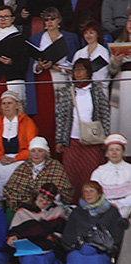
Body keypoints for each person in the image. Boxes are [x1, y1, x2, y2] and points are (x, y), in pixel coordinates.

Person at [59, 181, 121, 264]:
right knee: (75, 260)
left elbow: (117, 236)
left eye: (92, 191)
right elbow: (68, 236)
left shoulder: (112, 212)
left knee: (96, 262)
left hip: (101, 253)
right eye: (85, 191)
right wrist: (79, 247)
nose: (88, 194)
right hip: (79, 251)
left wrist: (99, 247)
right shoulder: (77, 212)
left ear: (99, 193)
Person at [55, 58, 110, 202]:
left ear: (88, 72)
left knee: (91, 174)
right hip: (72, 141)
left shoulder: (96, 91)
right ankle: (72, 205)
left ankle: (93, 203)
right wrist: (60, 139)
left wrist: (106, 138)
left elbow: (105, 115)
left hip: (92, 141)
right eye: (75, 70)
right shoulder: (68, 92)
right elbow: (61, 116)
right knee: (71, 175)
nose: (77, 73)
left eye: (81, 70)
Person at [7, 183, 68, 264]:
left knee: (43, 261)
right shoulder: (23, 211)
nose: (44, 202)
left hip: (48, 251)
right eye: (42, 198)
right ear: (37, 195)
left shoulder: (57, 211)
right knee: (29, 261)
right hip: (27, 250)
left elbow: (57, 236)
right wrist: (13, 238)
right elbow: (14, 233)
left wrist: (39, 235)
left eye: (48, 200)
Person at [27, 7, 79, 147]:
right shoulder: (36, 38)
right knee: (46, 117)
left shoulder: (70, 38)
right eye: (46, 19)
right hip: (44, 80)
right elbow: (32, 65)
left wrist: (59, 67)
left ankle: (64, 149)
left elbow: (76, 64)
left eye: (53, 19)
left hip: (63, 79)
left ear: (59, 20)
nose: (49, 22)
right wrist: (40, 66)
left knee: (64, 115)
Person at [0, 91, 38, 201]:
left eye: (9, 103)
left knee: (20, 168)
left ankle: (16, 200)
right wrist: (0, 157)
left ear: (17, 105)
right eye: (3, 103)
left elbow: (32, 147)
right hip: (2, 159)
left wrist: (16, 158)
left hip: (19, 159)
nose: (6, 106)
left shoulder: (27, 122)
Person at [2, 136, 73, 213]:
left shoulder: (55, 166)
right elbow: (10, 188)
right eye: (33, 151)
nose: (36, 154)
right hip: (24, 206)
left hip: (48, 207)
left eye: (40, 151)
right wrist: (28, 200)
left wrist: (43, 198)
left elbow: (63, 189)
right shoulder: (23, 167)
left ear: (46, 153)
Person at [90, 133, 131, 218]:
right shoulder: (99, 171)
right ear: (107, 153)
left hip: (127, 207)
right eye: (111, 150)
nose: (114, 153)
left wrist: (122, 204)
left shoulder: (129, 169)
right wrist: (108, 204)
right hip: (104, 207)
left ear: (123, 152)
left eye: (117, 150)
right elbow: (94, 192)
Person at [109, 12, 131, 142]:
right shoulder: (119, 41)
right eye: (129, 21)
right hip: (122, 84)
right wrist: (116, 61)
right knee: (123, 118)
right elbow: (111, 71)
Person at [73, 21, 110, 89]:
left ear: (98, 34)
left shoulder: (103, 51)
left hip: (98, 87)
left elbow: (104, 73)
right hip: (81, 88)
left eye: (91, 33)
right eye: (86, 33)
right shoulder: (79, 53)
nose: (88, 36)